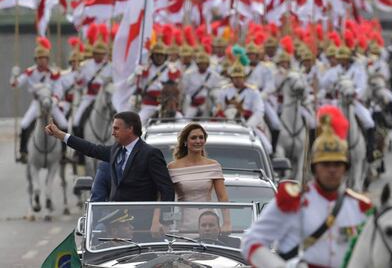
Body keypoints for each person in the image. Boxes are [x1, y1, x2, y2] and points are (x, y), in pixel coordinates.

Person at [241, 106, 373, 268]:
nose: (332, 170)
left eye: (338, 164)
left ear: (346, 168)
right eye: (325, 164)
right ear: (314, 167)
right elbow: (251, 241)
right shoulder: (292, 201)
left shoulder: (359, 206)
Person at [45, 111, 175, 202]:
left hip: (142, 224)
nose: (112, 133)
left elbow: (166, 189)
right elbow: (91, 149)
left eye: (116, 129)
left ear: (130, 129)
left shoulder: (150, 154)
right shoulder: (116, 150)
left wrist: (160, 221)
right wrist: (60, 135)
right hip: (115, 224)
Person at [163, 123, 230, 232]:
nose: (198, 141)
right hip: (183, 224)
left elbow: (222, 197)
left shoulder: (213, 165)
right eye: (193, 138)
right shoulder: (172, 167)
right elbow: (164, 197)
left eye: (201, 137)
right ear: (185, 141)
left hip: (208, 224)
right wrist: (161, 222)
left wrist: (227, 223)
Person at [10, 37, 68, 163]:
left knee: (64, 124)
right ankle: (23, 151)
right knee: (24, 123)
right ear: (36, 60)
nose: (42, 61)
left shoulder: (53, 73)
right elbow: (16, 84)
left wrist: (54, 99)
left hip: (51, 103)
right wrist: (14, 76)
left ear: (48, 60)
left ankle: (64, 153)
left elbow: (59, 89)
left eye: (44, 58)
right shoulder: (30, 72)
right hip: (37, 103)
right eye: (39, 58)